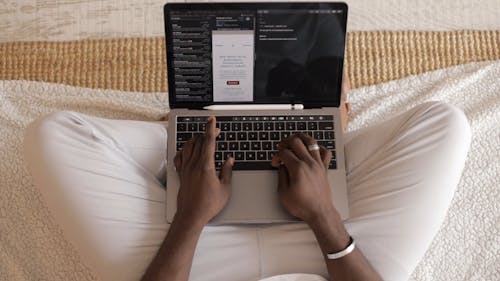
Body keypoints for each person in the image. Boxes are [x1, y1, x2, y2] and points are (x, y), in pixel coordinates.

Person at [23, 78, 471, 281]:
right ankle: (314, 138)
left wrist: (191, 215)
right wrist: (322, 215)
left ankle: (188, 135)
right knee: (446, 124)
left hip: (193, 261)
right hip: (330, 256)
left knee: (53, 135)